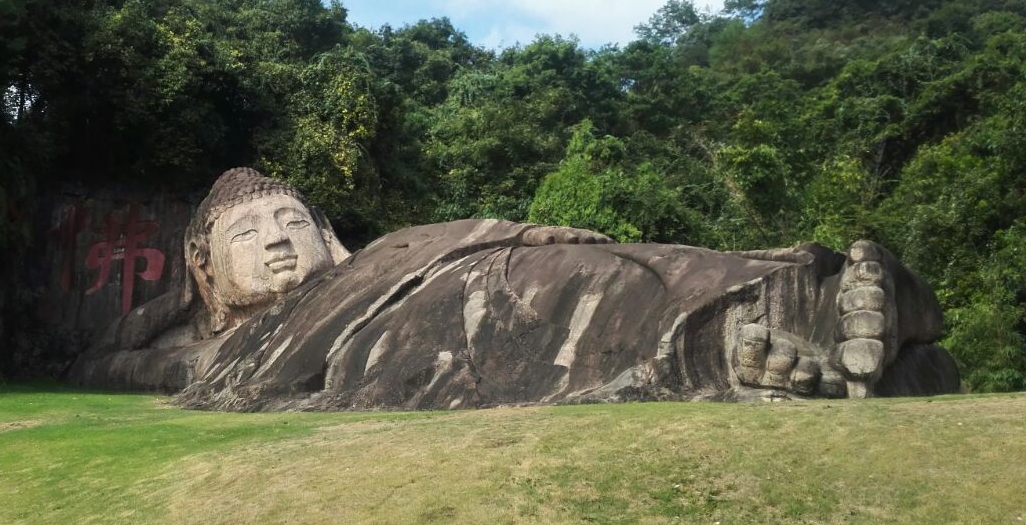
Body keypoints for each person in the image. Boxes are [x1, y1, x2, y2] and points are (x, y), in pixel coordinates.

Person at [70, 168, 958, 409]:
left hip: (459, 273)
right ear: (207, 269)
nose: (275, 244)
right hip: (416, 334)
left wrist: (518, 233)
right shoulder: (222, 353)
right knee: (548, 308)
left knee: (592, 268)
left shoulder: (393, 248)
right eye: (247, 237)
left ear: (329, 234)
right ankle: (825, 357)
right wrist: (167, 317)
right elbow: (117, 364)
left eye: (290, 222)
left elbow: (455, 244)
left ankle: (808, 294)